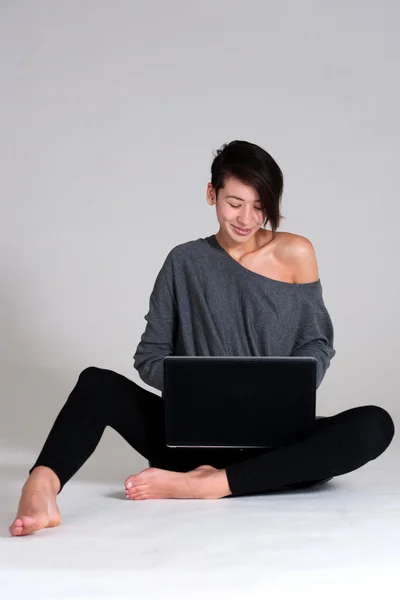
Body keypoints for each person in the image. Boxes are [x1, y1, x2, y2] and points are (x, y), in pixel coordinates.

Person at [9, 140, 395, 537]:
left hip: (276, 440)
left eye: (260, 206)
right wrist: (204, 385)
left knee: (375, 424)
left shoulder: (296, 252)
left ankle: (209, 484)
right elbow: (150, 356)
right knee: (96, 384)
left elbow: (317, 342)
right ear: (211, 194)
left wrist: (287, 386)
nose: (247, 218)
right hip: (190, 440)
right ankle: (40, 487)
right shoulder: (183, 261)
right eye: (234, 203)